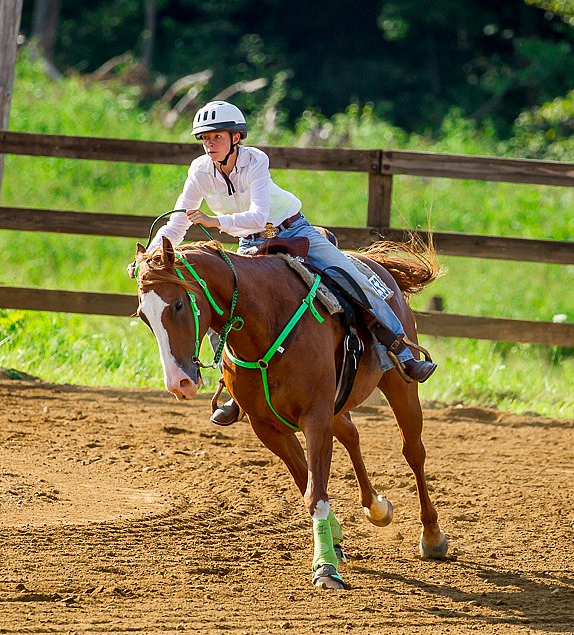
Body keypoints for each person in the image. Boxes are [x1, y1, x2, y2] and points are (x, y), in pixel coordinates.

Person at [149, 100, 436, 426]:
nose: (209, 145)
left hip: (295, 230)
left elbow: (259, 213)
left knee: (352, 279)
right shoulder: (199, 170)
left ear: (236, 138)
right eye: (204, 139)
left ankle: (402, 352)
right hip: (250, 241)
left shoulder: (256, 160)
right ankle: (231, 384)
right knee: (222, 305)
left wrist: (215, 222)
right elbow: (177, 223)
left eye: (216, 137)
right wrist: (152, 253)